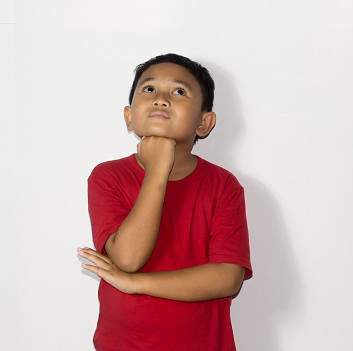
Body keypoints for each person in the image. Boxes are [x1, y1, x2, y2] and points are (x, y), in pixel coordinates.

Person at [77, 53, 252, 351]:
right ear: (129, 116)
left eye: (179, 91)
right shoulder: (107, 177)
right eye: (149, 89)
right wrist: (157, 170)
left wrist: (135, 284)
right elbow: (128, 259)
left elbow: (227, 277)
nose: (160, 99)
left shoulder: (223, 186)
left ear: (203, 123)